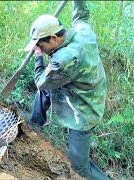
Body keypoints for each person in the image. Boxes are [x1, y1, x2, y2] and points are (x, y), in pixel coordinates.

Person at [24, 1, 109, 179]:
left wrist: (38, 58)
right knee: (47, 91)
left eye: (41, 45)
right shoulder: (82, 30)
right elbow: (82, 14)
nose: (40, 49)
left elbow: (41, 82)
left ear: (54, 38)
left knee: (80, 167)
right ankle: (34, 124)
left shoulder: (64, 59)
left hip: (84, 110)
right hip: (87, 87)